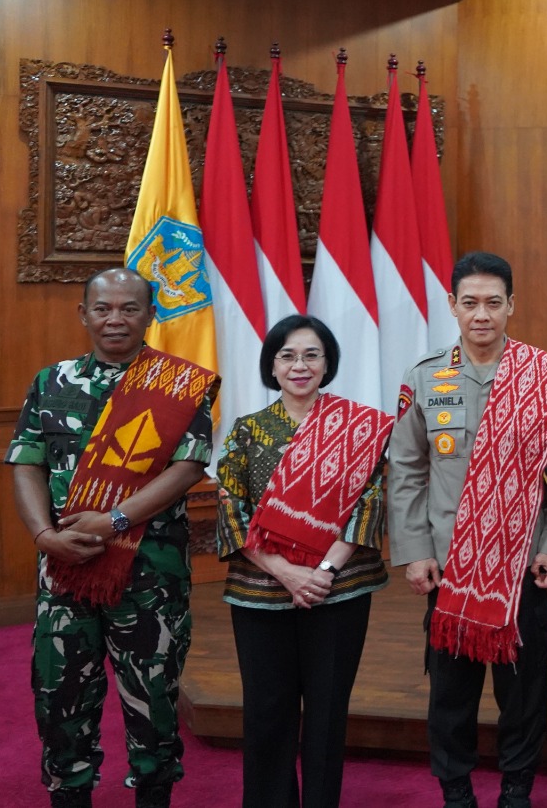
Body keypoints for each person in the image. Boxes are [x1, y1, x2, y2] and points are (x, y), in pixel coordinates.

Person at [6, 267, 218, 808]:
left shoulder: (179, 384)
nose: (115, 319)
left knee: (153, 700)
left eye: (129, 308)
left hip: (150, 575)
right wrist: (42, 535)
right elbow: (26, 462)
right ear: (84, 314)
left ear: (150, 315)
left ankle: (153, 795)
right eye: (103, 308)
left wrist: (116, 520)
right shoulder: (50, 382)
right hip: (65, 571)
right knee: (59, 699)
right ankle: (69, 794)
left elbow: (189, 468)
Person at [388, 251, 547, 808]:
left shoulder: (542, 378)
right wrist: (415, 552)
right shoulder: (424, 377)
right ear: (452, 306)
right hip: (452, 565)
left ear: (511, 306)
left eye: (493, 303)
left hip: (522, 563)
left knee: (524, 693)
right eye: (469, 303)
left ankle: (517, 788)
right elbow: (406, 469)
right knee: (451, 694)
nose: (481, 314)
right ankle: (456, 791)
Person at [214, 314, 394, 808]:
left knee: (327, 712)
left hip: (339, 591)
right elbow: (232, 508)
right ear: (271, 366)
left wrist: (324, 572)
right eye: (288, 355)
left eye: (312, 354)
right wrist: (287, 572)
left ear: (328, 363)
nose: (300, 365)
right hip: (260, 595)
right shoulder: (247, 431)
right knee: (267, 712)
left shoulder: (359, 427)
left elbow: (370, 503)